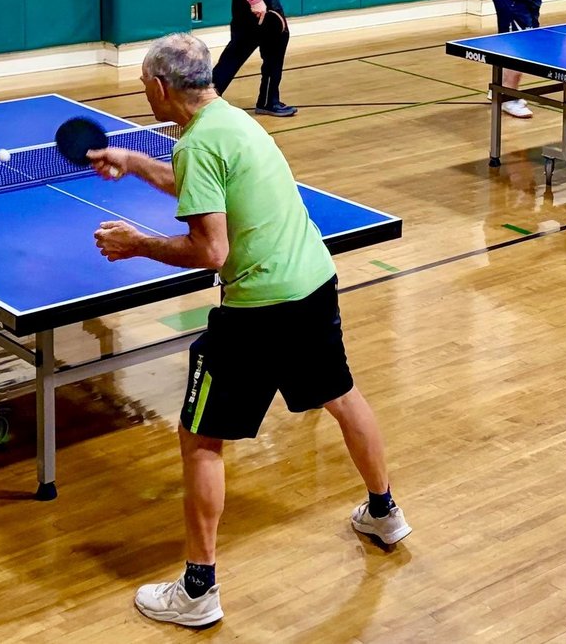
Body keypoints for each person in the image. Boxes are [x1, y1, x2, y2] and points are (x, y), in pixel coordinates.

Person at [89, 33, 408, 630]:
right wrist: (132, 163)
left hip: (259, 307)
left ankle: (197, 590)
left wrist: (137, 245)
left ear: (160, 88)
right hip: (312, 281)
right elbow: (201, 184)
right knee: (342, 395)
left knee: (200, 439)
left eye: (142, 85)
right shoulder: (229, 122)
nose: (142, 93)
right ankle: (384, 512)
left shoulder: (198, 145)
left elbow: (211, 251)